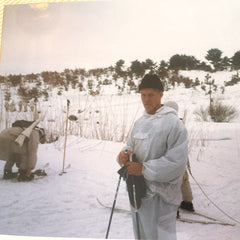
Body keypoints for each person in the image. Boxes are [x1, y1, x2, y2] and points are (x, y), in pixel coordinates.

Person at [117, 74, 188, 240]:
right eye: (143, 95)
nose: (146, 100)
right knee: (141, 235)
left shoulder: (174, 124)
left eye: (151, 95)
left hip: (161, 199)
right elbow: (129, 147)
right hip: (138, 192)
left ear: (161, 94)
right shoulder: (140, 122)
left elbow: (176, 164)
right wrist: (123, 156)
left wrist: (144, 169)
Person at [164, 101, 194, 212]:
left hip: (169, 161)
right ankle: (188, 203)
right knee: (184, 180)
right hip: (180, 160)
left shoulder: (164, 124)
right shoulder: (180, 124)